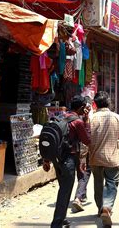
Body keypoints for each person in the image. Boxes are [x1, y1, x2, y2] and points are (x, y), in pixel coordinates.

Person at [43, 95, 91, 228]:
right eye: (84, 108)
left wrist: (46, 160)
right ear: (81, 108)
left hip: (57, 159)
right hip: (69, 160)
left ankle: (62, 218)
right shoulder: (78, 122)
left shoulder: (61, 117)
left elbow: (53, 137)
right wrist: (86, 120)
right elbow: (87, 140)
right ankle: (56, 223)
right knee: (65, 192)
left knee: (63, 189)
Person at [89, 91, 119, 227]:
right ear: (108, 102)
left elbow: (85, 140)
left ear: (95, 103)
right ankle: (107, 207)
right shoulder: (116, 117)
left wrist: (83, 157)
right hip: (112, 158)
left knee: (97, 184)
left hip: (95, 158)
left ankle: (100, 209)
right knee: (112, 182)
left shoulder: (91, 118)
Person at [72, 97, 93, 212]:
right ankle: (78, 197)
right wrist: (87, 119)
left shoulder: (66, 117)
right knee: (84, 173)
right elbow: (87, 137)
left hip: (69, 153)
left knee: (82, 174)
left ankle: (82, 195)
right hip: (81, 151)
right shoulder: (79, 121)